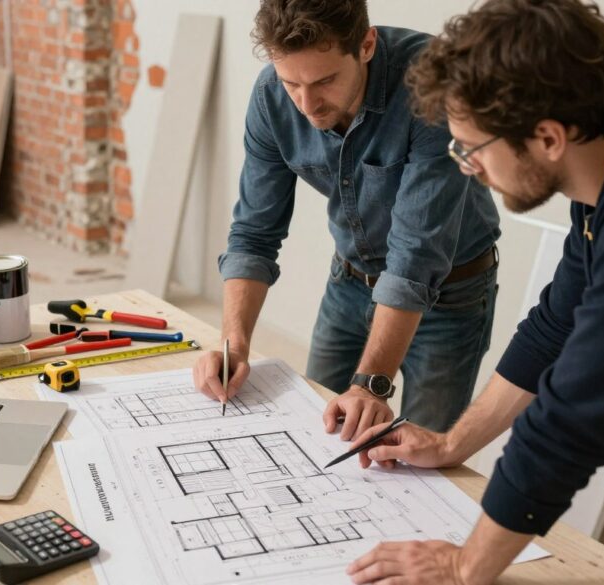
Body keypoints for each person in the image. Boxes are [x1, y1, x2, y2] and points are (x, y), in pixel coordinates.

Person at [343, 1, 604, 583]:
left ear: (547, 136)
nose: (466, 167)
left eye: (471, 148)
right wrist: (451, 443)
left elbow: (576, 414)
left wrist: (467, 566)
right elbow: (556, 327)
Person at [192, 0, 501, 437]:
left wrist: (371, 385)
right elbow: (253, 233)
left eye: (325, 81)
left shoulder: (433, 85)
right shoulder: (270, 98)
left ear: (367, 44)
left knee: (422, 454)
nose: (307, 104)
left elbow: (416, 256)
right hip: (349, 283)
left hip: (450, 295)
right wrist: (234, 345)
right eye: (291, 83)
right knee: (317, 430)